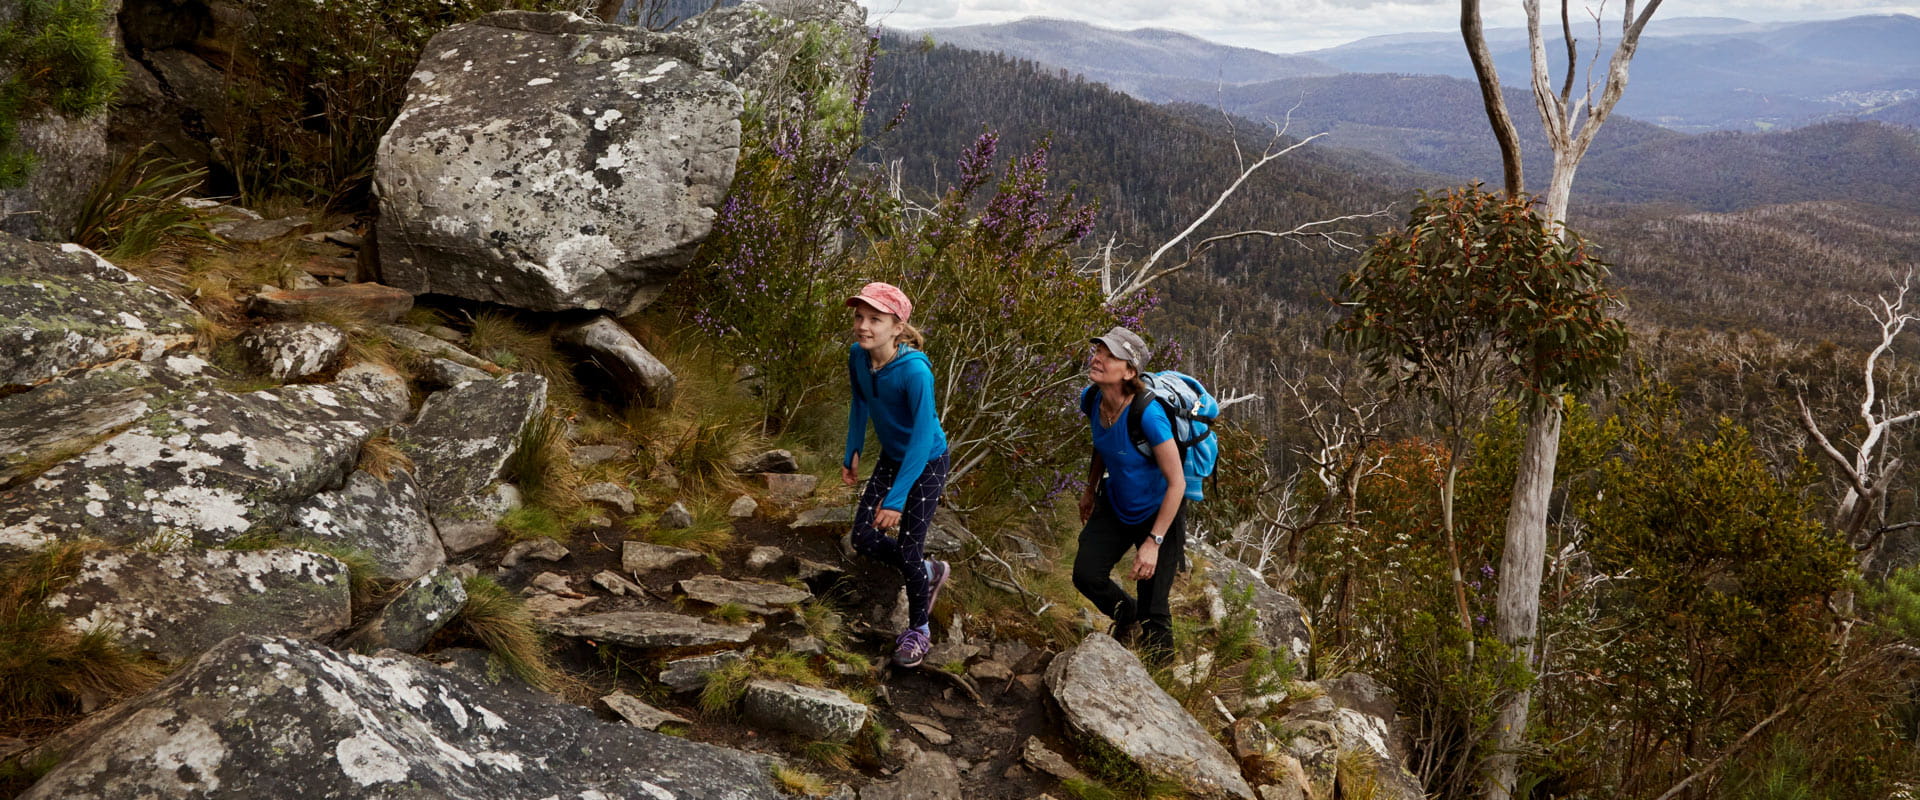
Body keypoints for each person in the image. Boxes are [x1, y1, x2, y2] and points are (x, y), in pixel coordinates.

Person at [842, 281, 952, 668]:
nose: (863, 326)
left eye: (875, 319)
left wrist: (895, 500)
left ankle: (919, 631)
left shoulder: (915, 372)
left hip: (927, 461)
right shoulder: (859, 355)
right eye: (859, 317)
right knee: (864, 537)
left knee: (908, 546)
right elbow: (859, 400)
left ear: (898, 327)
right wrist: (853, 448)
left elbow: (922, 439)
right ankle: (928, 571)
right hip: (892, 457)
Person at [1072, 326, 1187, 662]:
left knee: (1155, 608)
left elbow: (1176, 482)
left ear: (1130, 371)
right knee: (1087, 574)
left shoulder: (1147, 414)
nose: (1098, 358)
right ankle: (1127, 617)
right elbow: (1102, 445)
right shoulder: (1092, 399)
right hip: (1117, 500)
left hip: (1159, 511)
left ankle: (1165, 687)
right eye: (1098, 351)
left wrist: (1154, 542)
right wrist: (1089, 490)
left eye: (1109, 356)